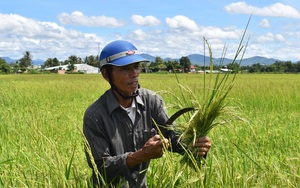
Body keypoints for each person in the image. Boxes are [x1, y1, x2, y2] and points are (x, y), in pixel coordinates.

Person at [83, 40, 211, 188]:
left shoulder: (152, 101)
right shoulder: (95, 115)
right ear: (106, 74)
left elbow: (173, 138)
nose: (134, 74)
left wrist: (195, 146)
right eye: (125, 69)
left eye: (136, 67)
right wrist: (140, 156)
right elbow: (101, 168)